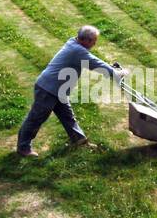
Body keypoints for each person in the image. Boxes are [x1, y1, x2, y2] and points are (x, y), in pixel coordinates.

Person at [17, 25, 123, 157]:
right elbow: (94, 63)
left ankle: (79, 141)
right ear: (86, 40)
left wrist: (111, 69)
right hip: (48, 89)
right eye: (94, 41)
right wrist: (116, 73)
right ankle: (23, 148)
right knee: (36, 118)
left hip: (58, 90)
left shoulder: (74, 44)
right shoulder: (77, 50)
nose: (95, 43)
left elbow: (92, 59)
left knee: (68, 117)